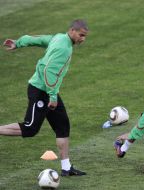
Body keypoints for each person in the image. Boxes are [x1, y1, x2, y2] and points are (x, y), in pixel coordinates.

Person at [1, 19, 88, 176]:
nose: (83, 39)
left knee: (62, 125)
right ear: (72, 31)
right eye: (81, 35)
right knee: (30, 128)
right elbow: (49, 71)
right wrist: (52, 96)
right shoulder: (64, 48)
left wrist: (19, 42)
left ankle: (67, 168)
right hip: (41, 91)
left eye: (85, 36)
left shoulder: (59, 37)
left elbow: (39, 39)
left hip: (46, 90)